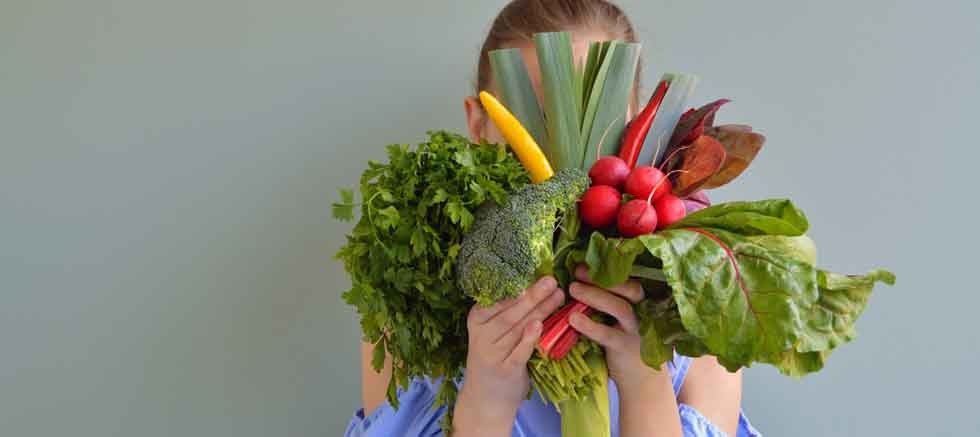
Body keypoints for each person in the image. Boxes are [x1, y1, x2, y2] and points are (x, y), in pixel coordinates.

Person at [346, 1, 760, 435]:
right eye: (535, 117)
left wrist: (644, 383)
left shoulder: (700, 287)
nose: (566, 158)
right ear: (479, 123)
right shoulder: (408, 292)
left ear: (639, 119)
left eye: (598, 118)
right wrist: (486, 399)